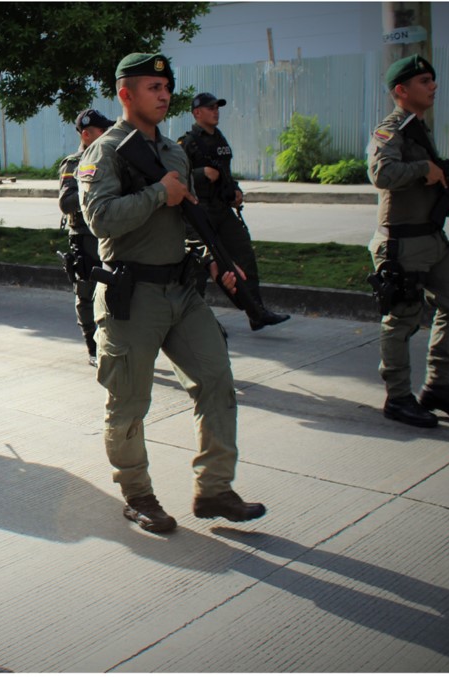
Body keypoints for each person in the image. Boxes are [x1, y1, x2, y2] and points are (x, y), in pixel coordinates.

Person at [78, 53, 266, 534]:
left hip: (182, 291)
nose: (164, 95)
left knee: (218, 383)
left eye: (167, 87)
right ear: (125, 94)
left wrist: (216, 262)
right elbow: (100, 219)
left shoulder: (174, 151)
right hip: (131, 293)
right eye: (152, 88)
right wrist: (160, 192)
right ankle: (138, 494)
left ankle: (215, 490)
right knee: (128, 405)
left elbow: (190, 218)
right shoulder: (105, 151)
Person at [367, 54, 449, 428]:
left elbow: (435, 182)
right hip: (402, 244)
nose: (433, 86)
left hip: (432, 239)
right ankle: (398, 397)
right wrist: (422, 169)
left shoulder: (420, 127)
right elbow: (381, 173)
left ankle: (437, 387)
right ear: (401, 90)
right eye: (425, 81)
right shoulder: (390, 129)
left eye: (433, 80)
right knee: (401, 321)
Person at [179, 93, 290, 331]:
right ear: (197, 113)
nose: (215, 111)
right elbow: (177, 177)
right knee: (200, 266)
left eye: (217, 107)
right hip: (201, 212)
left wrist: (235, 191)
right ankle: (190, 319)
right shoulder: (187, 143)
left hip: (222, 209)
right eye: (210, 108)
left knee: (244, 256)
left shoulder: (219, 139)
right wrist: (201, 174)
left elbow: (225, 173)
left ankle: (256, 312)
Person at [59, 108, 113, 366]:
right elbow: (66, 201)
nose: (108, 135)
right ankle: (93, 346)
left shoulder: (110, 158)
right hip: (84, 236)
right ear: (87, 134)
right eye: (103, 131)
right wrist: (93, 196)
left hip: (110, 235)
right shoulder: (74, 163)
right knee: (86, 292)